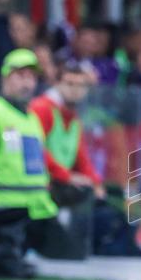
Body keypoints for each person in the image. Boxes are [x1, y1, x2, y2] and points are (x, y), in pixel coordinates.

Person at [0, 49, 58, 278]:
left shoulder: (31, 118)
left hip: (36, 207)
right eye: (20, 76)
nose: (27, 83)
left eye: (31, 76)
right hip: (4, 205)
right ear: (5, 78)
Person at [29, 60, 105, 205]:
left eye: (81, 85)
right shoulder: (42, 108)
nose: (75, 90)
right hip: (45, 185)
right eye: (70, 84)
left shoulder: (74, 118)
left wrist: (96, 183)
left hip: (60, 181)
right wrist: (67, 176)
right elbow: (37, 150)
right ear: (57, 84)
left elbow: (81, 157)